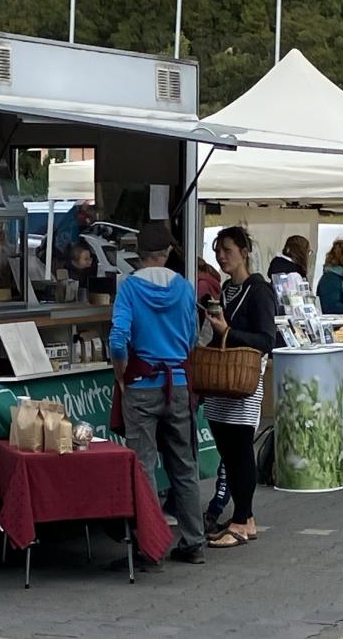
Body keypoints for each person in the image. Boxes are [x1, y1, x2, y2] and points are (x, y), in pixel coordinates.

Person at [108, 222, 205, 565]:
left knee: (144, 467)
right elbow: (194, 338)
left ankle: (151, 547)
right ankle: (193, 541)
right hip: (177, 385)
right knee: (184, 464)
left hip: (142, 386)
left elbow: (118, 339)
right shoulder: (184, 289)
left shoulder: (129, 288)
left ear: (139, 254)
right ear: (166, 254)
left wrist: (121, 375)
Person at [203, 226, 277, 549]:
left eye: (228, 250)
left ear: (244, 252)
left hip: (244, 380)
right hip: (223, 381)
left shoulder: (258, 290)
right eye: (218, 250)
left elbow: (266, 340)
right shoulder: (225, 290)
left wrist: (228, 332)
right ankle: (245, 519)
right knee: (228, 450)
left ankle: (241, 518)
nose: (221, 256)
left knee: (240, 448)